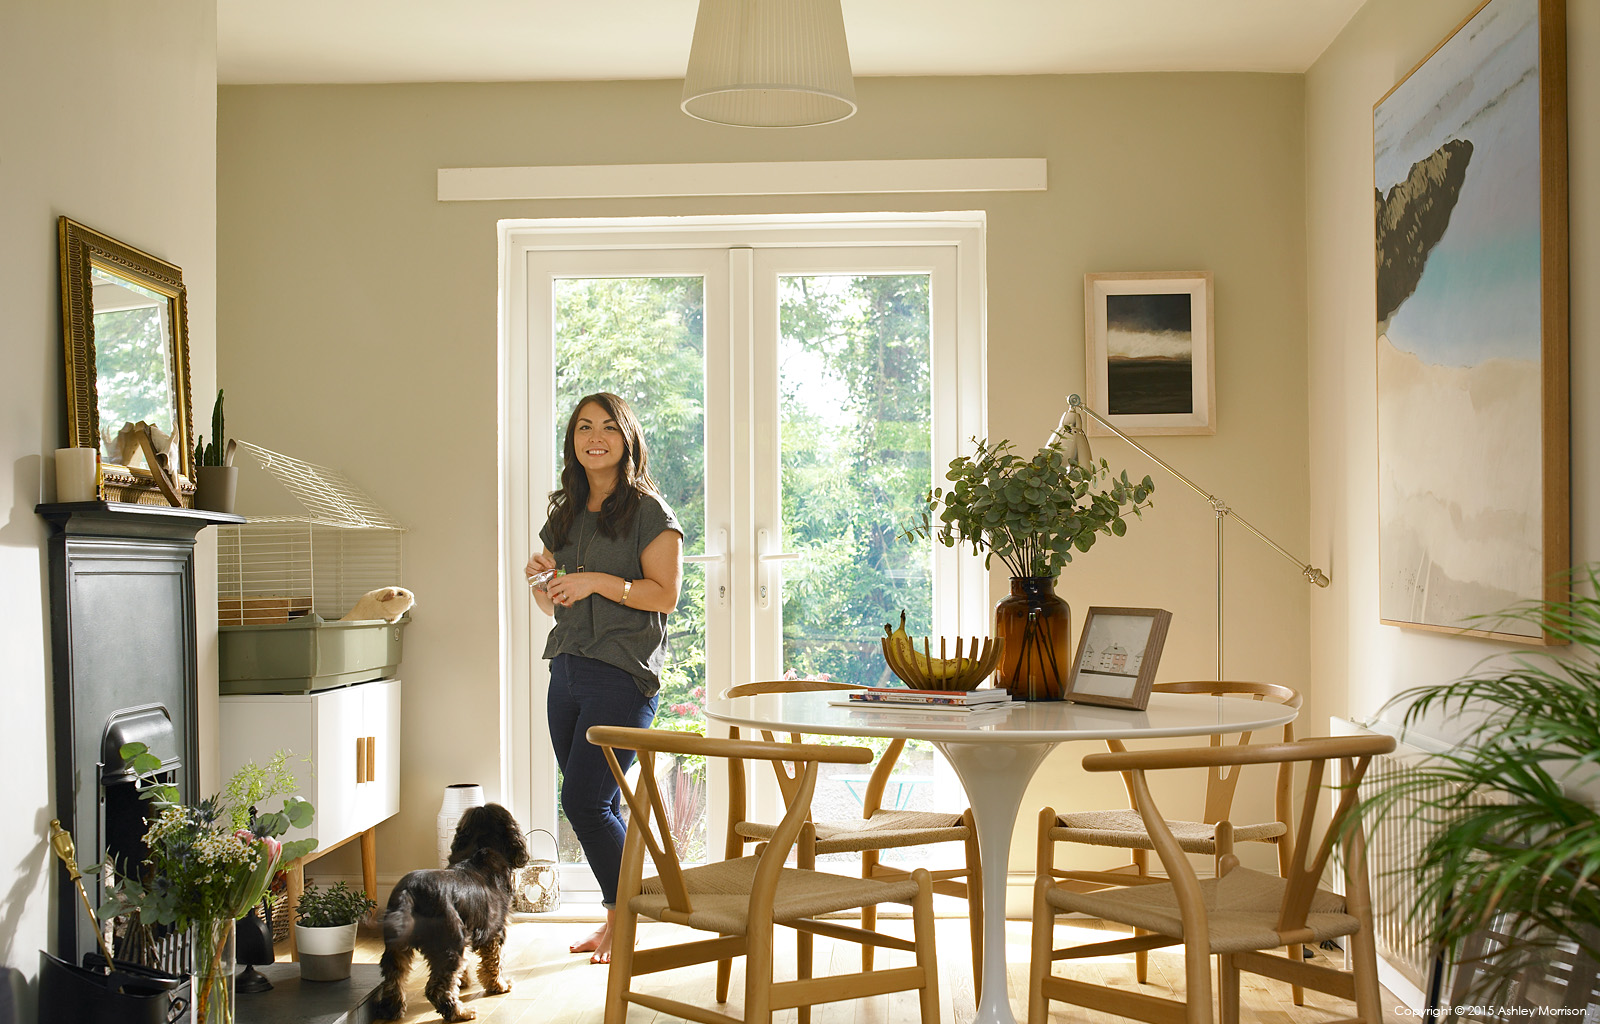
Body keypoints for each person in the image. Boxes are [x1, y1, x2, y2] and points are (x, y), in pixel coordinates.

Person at [525, 392, 683, 965]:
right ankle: (616, 918)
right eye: (584, 427)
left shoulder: (648, 511)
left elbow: (665, 594)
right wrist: (542, 581)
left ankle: (630, 920)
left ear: (627, 438)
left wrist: (593, 580)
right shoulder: (564, 511)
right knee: (597, 804)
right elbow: (553, 607)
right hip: (565, 670)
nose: (595, 437)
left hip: (621, 674)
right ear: (573, 440)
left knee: (585, 801)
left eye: (608, 428)